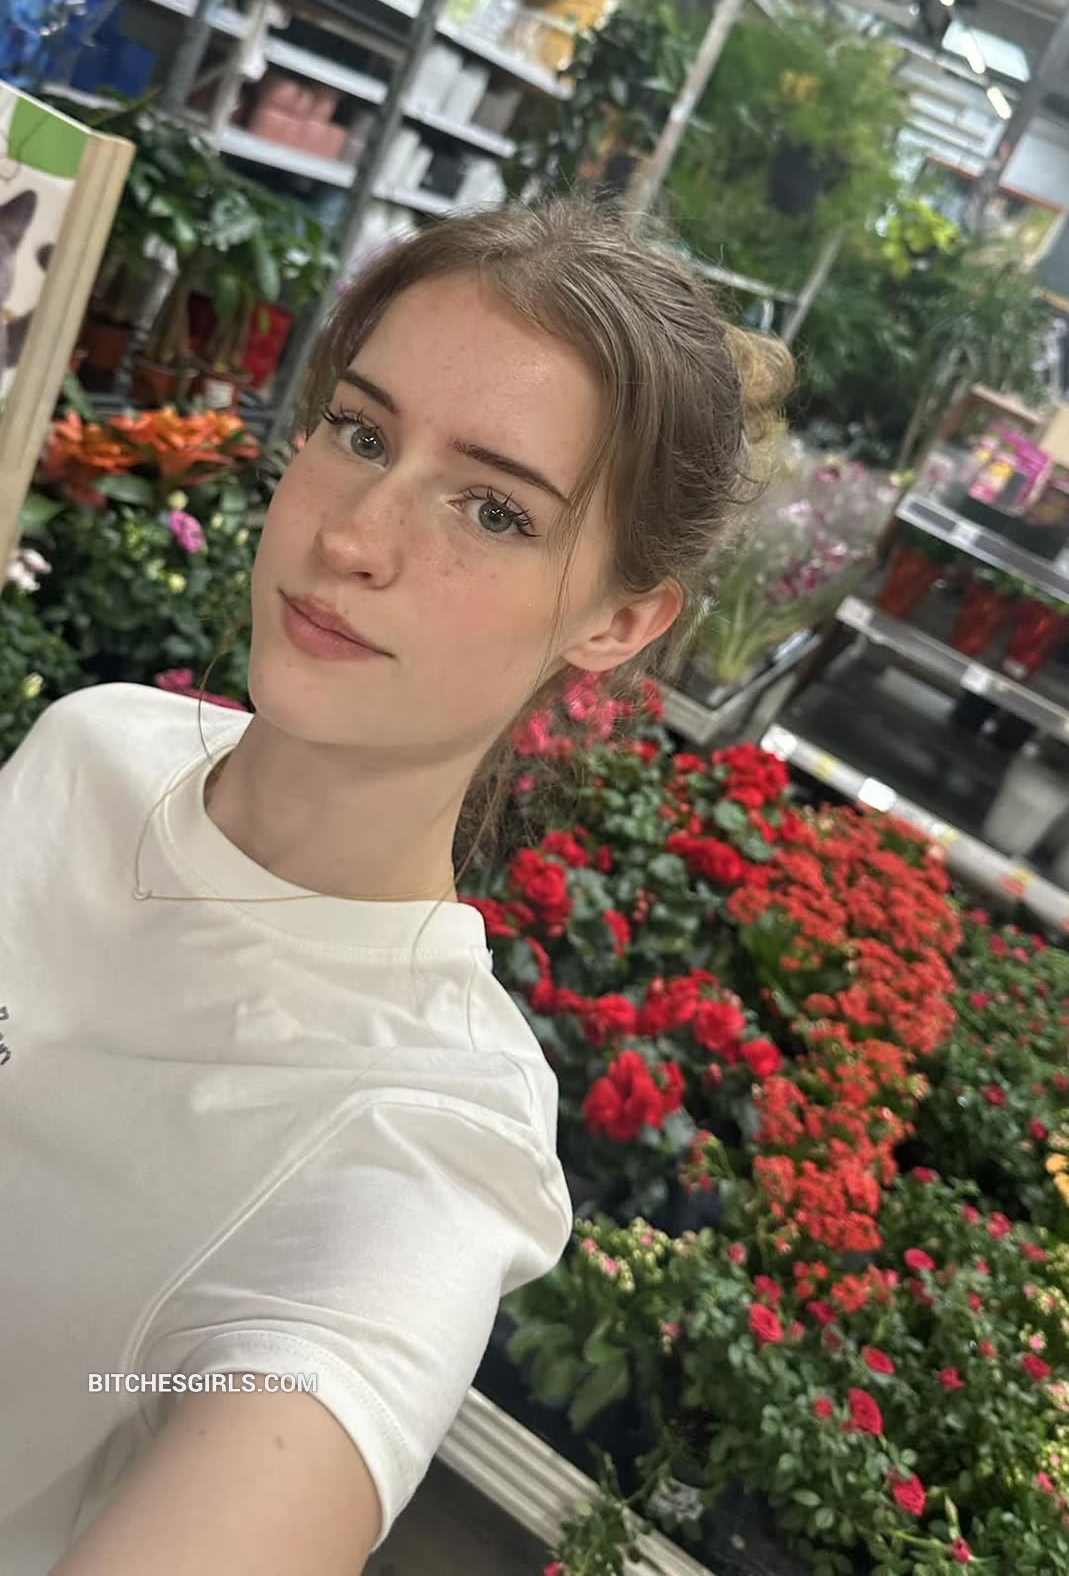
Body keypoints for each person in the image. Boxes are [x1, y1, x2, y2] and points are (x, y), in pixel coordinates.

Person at [0, 196, 791, 1576]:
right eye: (362, 434)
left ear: (618, 619)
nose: (356, 536)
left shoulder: (420, 1143)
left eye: (493, 509)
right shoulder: (97, 748)